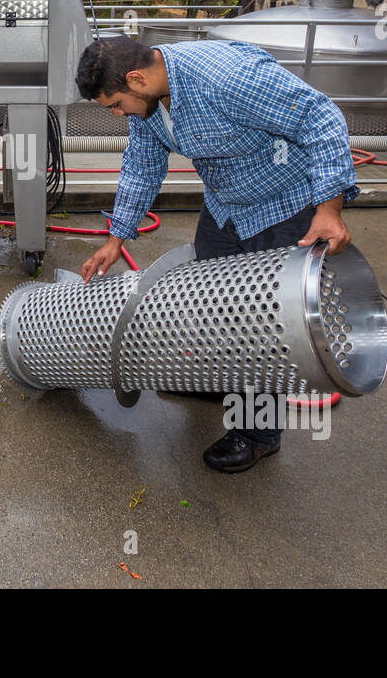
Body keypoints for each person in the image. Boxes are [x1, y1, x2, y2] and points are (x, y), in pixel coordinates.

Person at [76, 34, 358, 473]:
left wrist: (329, 208)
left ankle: (258, 435)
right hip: (227, 205)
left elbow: (320, 117)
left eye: (115, 104)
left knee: (260, 328)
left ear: (137, 78)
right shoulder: (150, 103)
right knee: (210, 304)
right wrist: (118, 237)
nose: (117, 114)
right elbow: (143, 163)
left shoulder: (225, 77)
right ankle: (218, 379)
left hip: (284, 203)